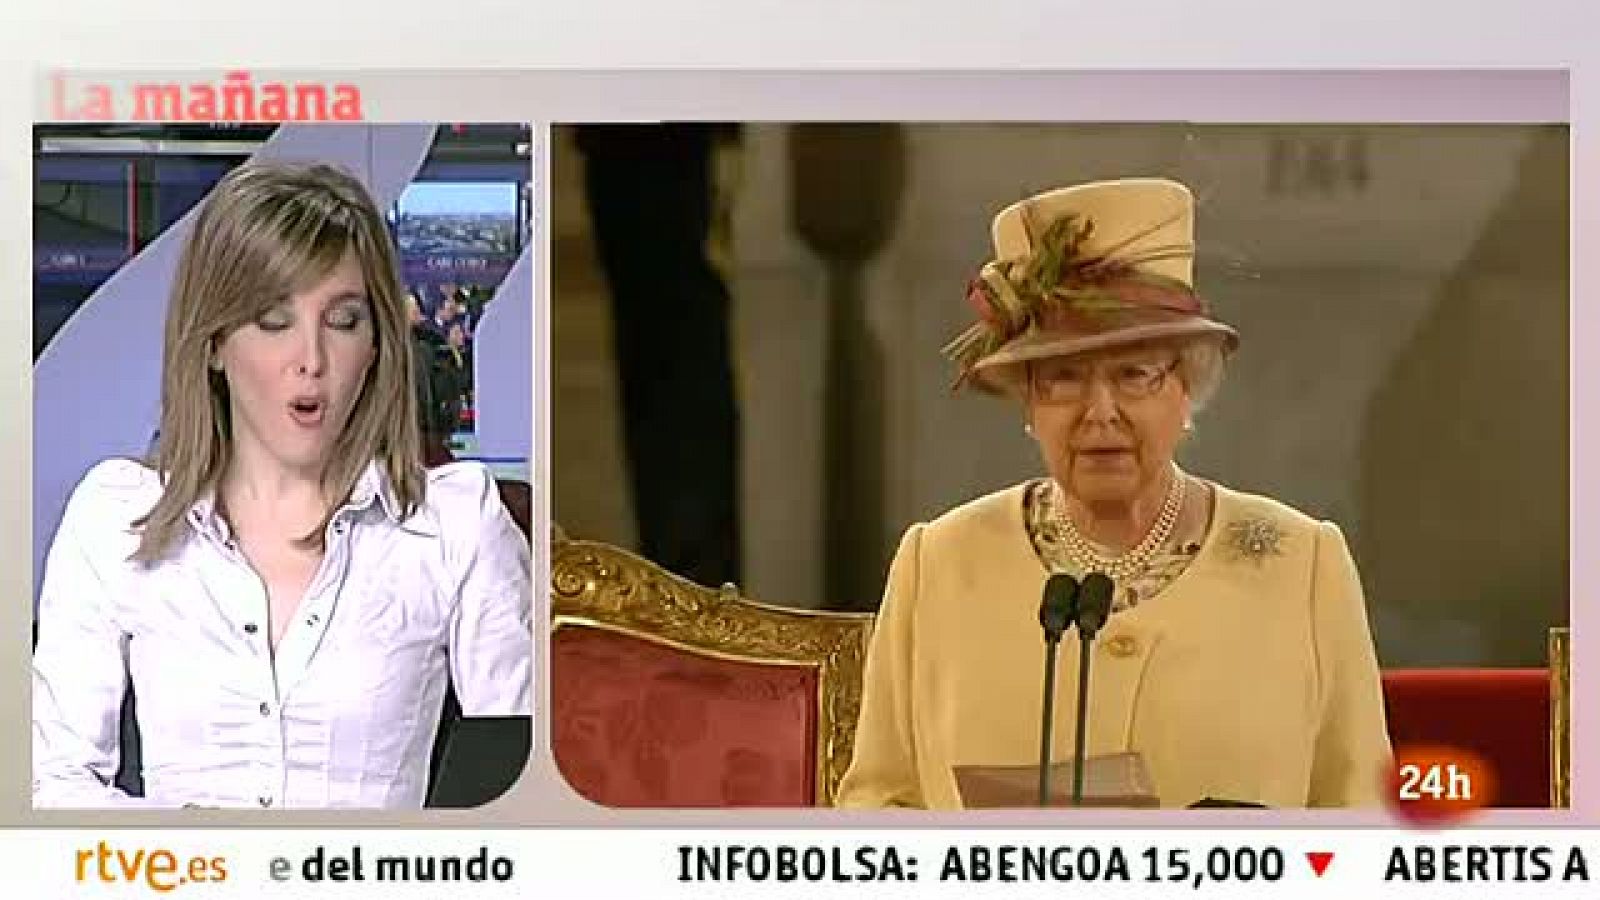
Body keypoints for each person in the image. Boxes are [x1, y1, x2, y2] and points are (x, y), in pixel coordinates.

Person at [835, 178, 1391, 809]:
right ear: (1028, 403)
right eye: (1064, 379)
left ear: (1187, 390)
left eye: (1134, 375)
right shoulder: (937, 562)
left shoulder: (1302, 564)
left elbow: (1362, 822)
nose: (1100, 413)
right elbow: (878, 815)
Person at [31, 161, 532, 809]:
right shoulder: (115, 516)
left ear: (377, 343)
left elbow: (515, 799)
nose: (311, 360)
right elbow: (54, 782)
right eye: (273, 321)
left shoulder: (457, 524)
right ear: (213, 342)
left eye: (344, 321)